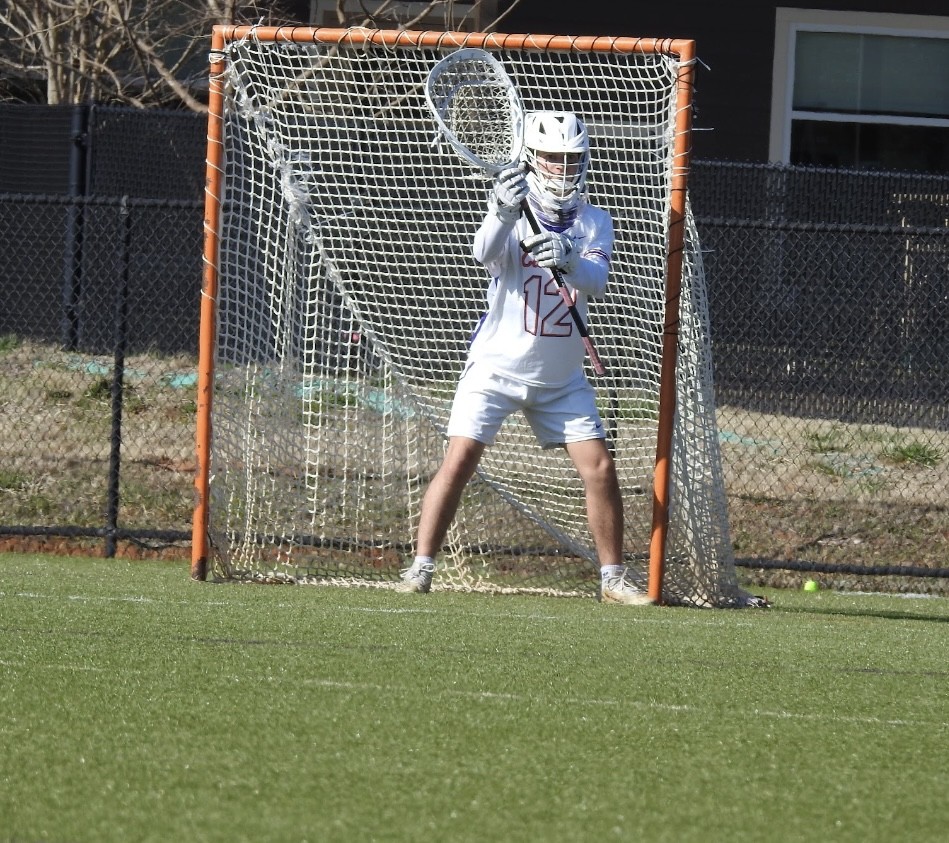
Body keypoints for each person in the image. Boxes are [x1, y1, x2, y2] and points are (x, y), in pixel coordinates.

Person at [398, 110, 653, 606]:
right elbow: (483, 253)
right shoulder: (512, 208)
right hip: (496, 368)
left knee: (600, 468)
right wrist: (501, 211)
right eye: (552, 157)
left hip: (561, 377)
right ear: (533, 158)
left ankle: (613, 580)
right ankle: (421, 566)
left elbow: (596, 280)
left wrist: (569, 257)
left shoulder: (595, 221)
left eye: (571, 158)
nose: (562, 167)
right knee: (460, 460)